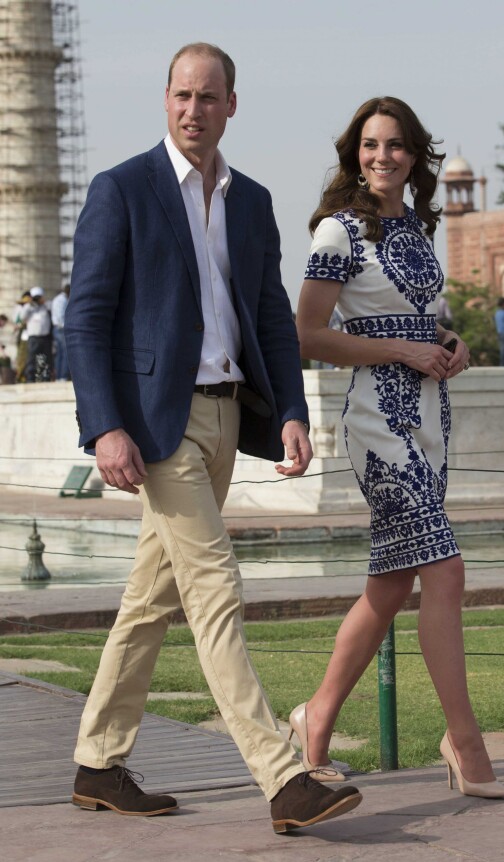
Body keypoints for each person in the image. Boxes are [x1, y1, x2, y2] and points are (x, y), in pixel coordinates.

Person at [65, 42, 361, 833]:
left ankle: (98, 761)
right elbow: (85, 320)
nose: (194, 109)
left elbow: (270, 313)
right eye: (181, 96)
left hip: (231, 414)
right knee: (216, 589)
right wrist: (104, 428)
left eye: (209, 97)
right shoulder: (121, 189)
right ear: (166, 101)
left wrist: (292, 410)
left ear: (232, 105)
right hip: (159, 424)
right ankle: (284, 777)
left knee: (149, 598)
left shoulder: (253, 200)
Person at [295, 97, 504, 799]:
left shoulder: (416, 227)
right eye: (368, 144)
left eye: (393, 145)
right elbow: (307, 335)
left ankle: (314, 723)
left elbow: (424, 321)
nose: (381, 156)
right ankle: (464, 741)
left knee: (389, 588)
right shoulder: (337, 232)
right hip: (377, 422)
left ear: (415, 155)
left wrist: (451, 344)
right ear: (354, 152)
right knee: (444, 572)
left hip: (428, 414)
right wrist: (401, 350)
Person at [21, 286, 52, 382]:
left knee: (45, 359)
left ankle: (44, 378)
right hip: (33, 337)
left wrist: (43, 302)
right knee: (31, 359)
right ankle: (30, 379)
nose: (37, 299)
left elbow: (52, 307)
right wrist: (30, 304)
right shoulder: (28, 307)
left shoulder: (46, 306)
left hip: (45, 337)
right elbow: (22, 317)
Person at [51, 284, 70, 380]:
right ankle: (63, 376)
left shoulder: (57, 299)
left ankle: (59, 376)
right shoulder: (62, 300)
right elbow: (61, 316)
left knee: (59, 354)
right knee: (66, 353)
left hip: (57, 328)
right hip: (61, 328)